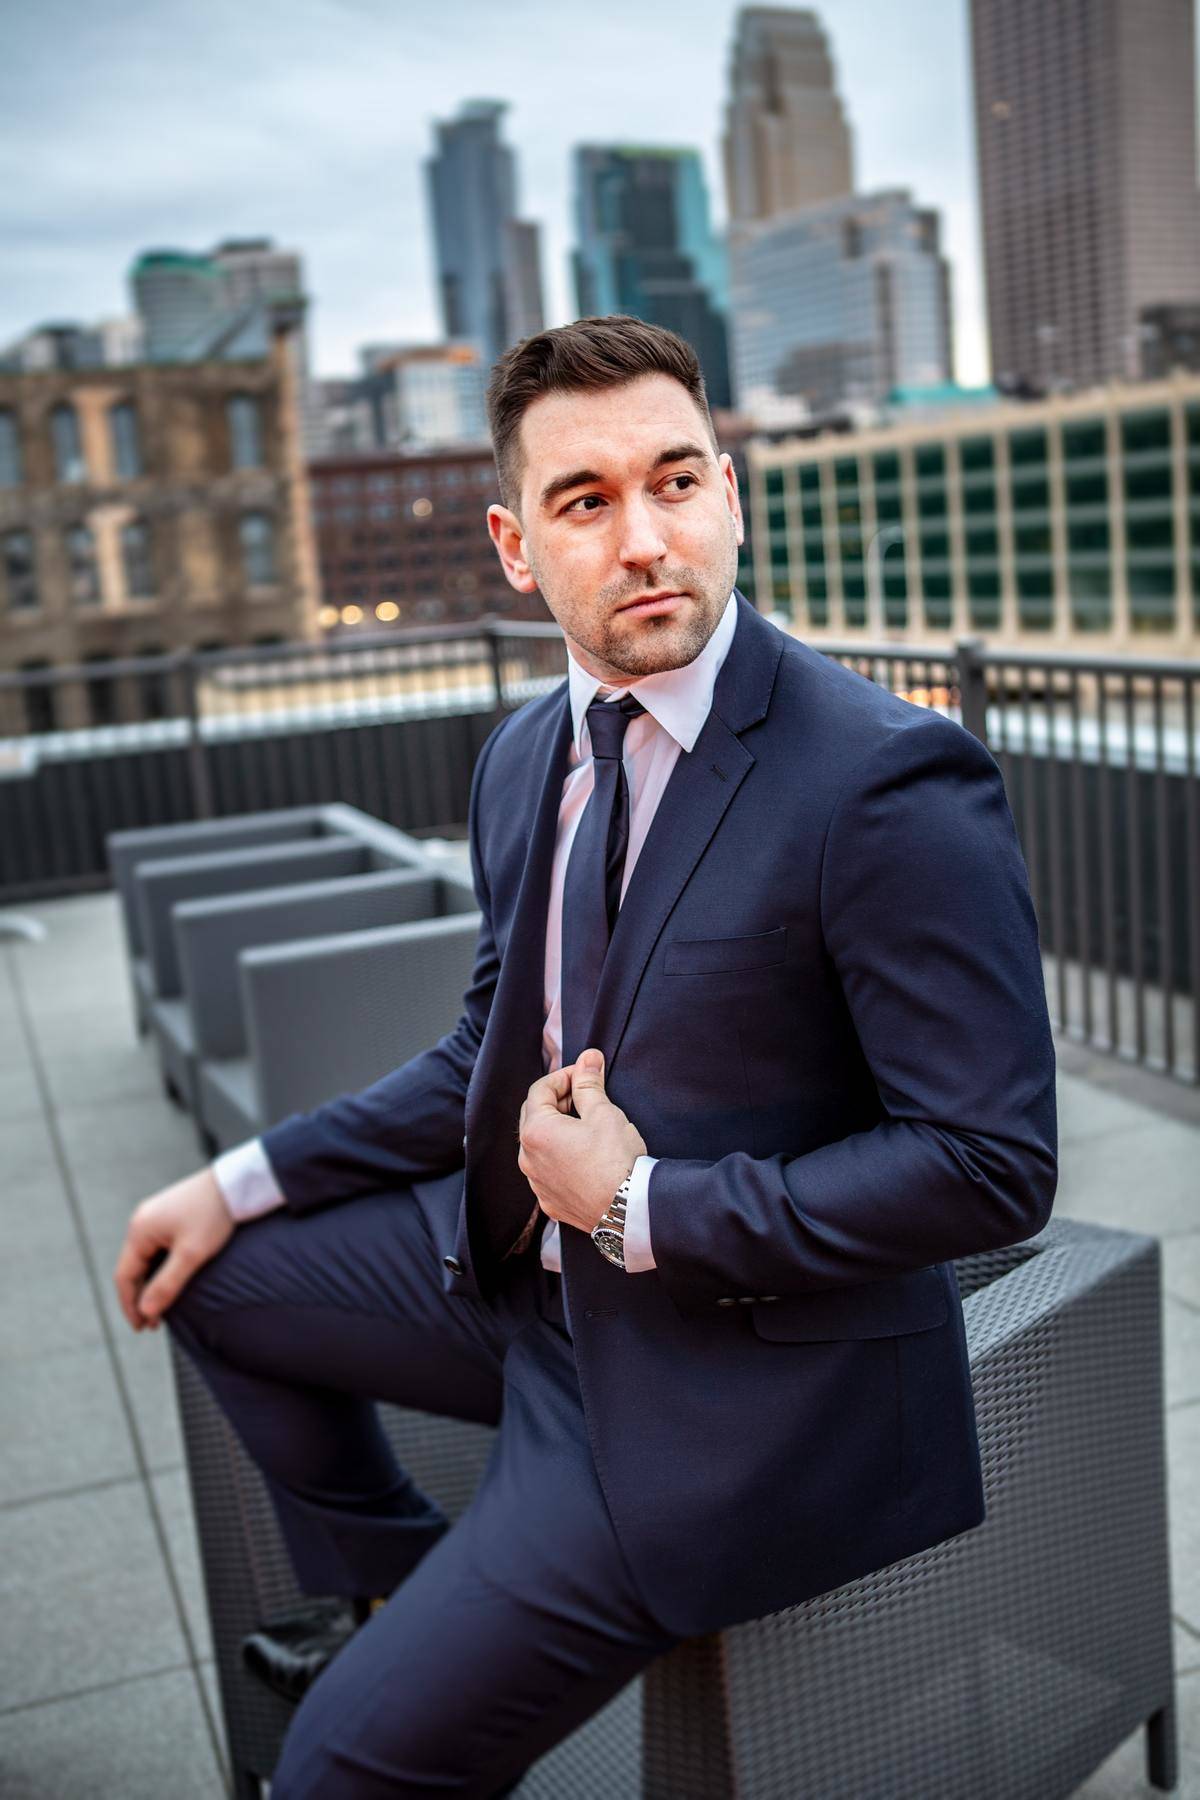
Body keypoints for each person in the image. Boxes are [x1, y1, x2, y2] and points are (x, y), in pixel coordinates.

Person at [113, 315, 1058, 1799]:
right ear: (513, 544)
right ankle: (394, 1593)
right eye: (586, 500)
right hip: (514, 1297)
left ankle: (405, 1659)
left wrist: (640, 1207)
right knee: (215, 1280)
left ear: (731, 493)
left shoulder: (883, 781)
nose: (646, 539)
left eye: (677, 482)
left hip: (713, 1386)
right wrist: (235, 1181)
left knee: (331, 1779)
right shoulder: (520, 760)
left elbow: (991, 1167)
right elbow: (483, 1057)